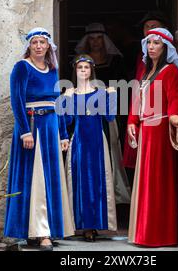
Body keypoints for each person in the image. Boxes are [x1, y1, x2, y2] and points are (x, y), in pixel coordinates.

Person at [4, 27, 75, 251]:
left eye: (42, 42)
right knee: (34, 178)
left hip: (51, 127)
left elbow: (58, 104)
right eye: (34, 42)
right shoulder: (21, 68)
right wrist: (25, 131)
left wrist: (63, 134)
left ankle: (49, 230)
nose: (38, 46)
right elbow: (17, 101)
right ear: (29, 45)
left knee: (50, 178)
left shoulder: (53, 70)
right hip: (32, 127)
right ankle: (37, 232)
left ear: (48, 46)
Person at [127, 27, 178, 247]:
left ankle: (159, 234)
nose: (151, 47)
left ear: (165, 47)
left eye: (156, 43)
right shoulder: (146, 73)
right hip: (146, 133)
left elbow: (175, 98)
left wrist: (175, 117)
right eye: (149, 43)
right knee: (145, 182)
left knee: (158, 182)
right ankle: (143, 232)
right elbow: (137, 102)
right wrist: (132, 121)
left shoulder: (170, 71)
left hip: (159, 132)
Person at [60, 54, 118, 241]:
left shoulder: (100, 92)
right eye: (80, 68)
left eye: (86, 67)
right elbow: (67, 120)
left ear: (91, 70)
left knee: (98, 181)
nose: (83, 71)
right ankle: (82, 225)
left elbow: (109, 117)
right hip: (79, 142)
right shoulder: (71, 93)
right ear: (75, 70)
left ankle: (96, 224)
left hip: (97, 142)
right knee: (81, 182)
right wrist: (65, 99)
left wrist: (112, 96)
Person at [75, 23, 131, 205]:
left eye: (99, 38)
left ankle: (110, 191)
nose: (96, 42)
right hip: (85, 114)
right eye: (91, 38)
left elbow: (122, 88)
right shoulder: (81, 63)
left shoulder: (115, 61)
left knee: (111, 147)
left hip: (108, 111)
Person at [122, 11, 169, 183]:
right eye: (147, 27)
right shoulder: (141, 57)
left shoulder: (168, 61)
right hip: (139, 107)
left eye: (154, 27)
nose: (150, 30)